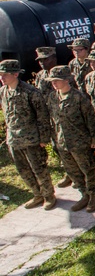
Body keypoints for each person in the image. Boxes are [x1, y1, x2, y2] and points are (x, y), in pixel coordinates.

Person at [45, 65, 95, 212]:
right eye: (52, 81)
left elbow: (91, 119)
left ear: (66, 80)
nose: (54, 83)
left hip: (80, 142)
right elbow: (52, 119)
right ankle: (84, 195)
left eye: (57, 80)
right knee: (73, 171)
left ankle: (94, 196)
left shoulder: (78, 97)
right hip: (62, 142)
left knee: (87, 170)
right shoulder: (52, 97)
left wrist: (94, 140)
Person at [0, 59, 55, 209]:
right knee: (23, 170)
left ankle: (49, 196)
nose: (2, 78)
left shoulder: (30, 93)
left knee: (39, 169)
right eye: (0, 75)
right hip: (14, 139)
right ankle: (37, 194)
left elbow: (43, 117)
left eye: (5, 75)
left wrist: (44, 138)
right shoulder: (3, 92)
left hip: (32, 139)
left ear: (15, 74)